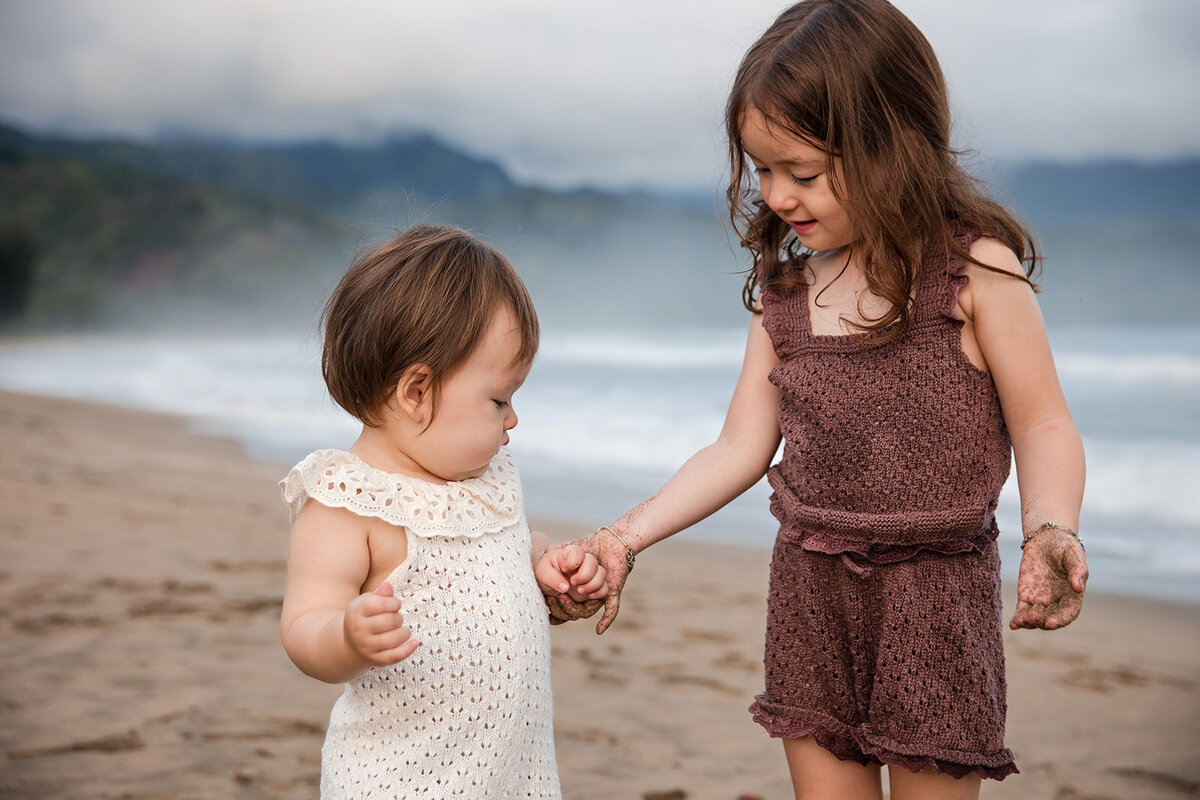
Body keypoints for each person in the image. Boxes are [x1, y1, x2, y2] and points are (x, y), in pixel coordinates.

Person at [548, 1, 1088, 798]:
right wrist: (623, 538)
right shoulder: (788, 293)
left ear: (894, 145)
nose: (776, 195)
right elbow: (739, 447)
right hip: (809, 590)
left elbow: (1044, 422)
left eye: (801, 172)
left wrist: (1050, 526)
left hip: (935, 596)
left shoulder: (977, 275)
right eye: (761, 170)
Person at [278, 224, 607, 799]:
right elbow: (304, 628)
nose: (513, 420)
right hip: (399, 781)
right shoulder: (348, 503)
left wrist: (546, 563)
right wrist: (347, 638)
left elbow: (499, 549)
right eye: (499, 399)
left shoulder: (490, 479)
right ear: (417, 393)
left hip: (510, 775)